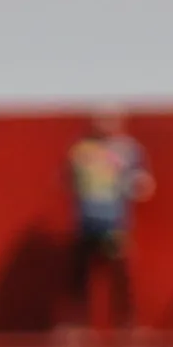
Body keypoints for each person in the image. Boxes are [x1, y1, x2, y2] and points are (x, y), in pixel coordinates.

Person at [63, 110, 152, 335]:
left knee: (120, 274)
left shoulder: (128, 149)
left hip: (115, 223)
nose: (104, 123)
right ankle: (78, 326)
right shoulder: (81, 149)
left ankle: (127, 325)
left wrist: (138, 184)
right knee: (79, 277)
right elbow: (68, 180)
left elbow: (143, 181)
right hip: (86, 222)